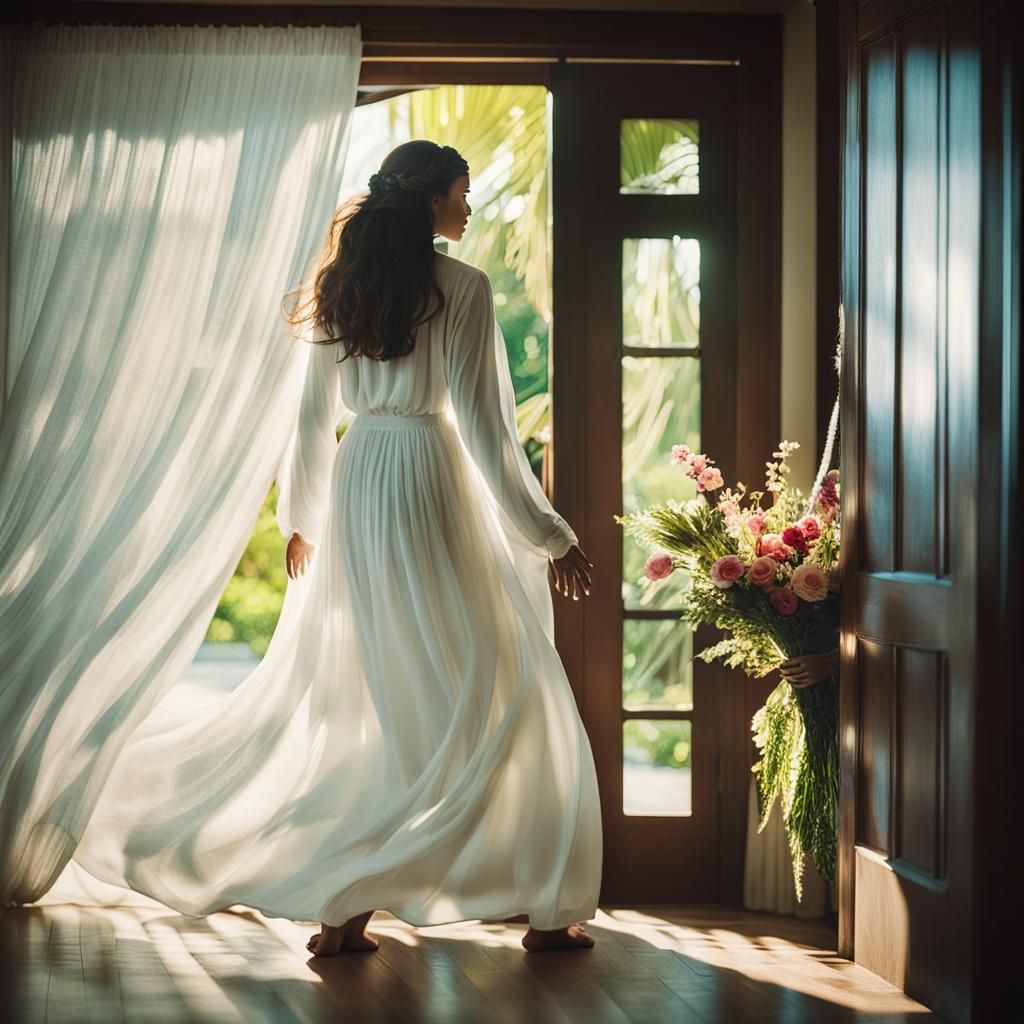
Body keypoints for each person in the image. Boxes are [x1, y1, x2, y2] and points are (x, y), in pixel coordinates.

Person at [277, 140, 603, 956]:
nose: (471, 206)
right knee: (494, 680)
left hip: (360, 481)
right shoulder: (463, 286)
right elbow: (489, 429)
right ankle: (544, 906)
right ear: (429, 202)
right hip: (425, 474)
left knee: (381, 686)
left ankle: (347, 908)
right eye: (462, 192)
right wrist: (550, 534)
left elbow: (314, 416)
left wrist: (303, 516)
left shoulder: (341, 286)